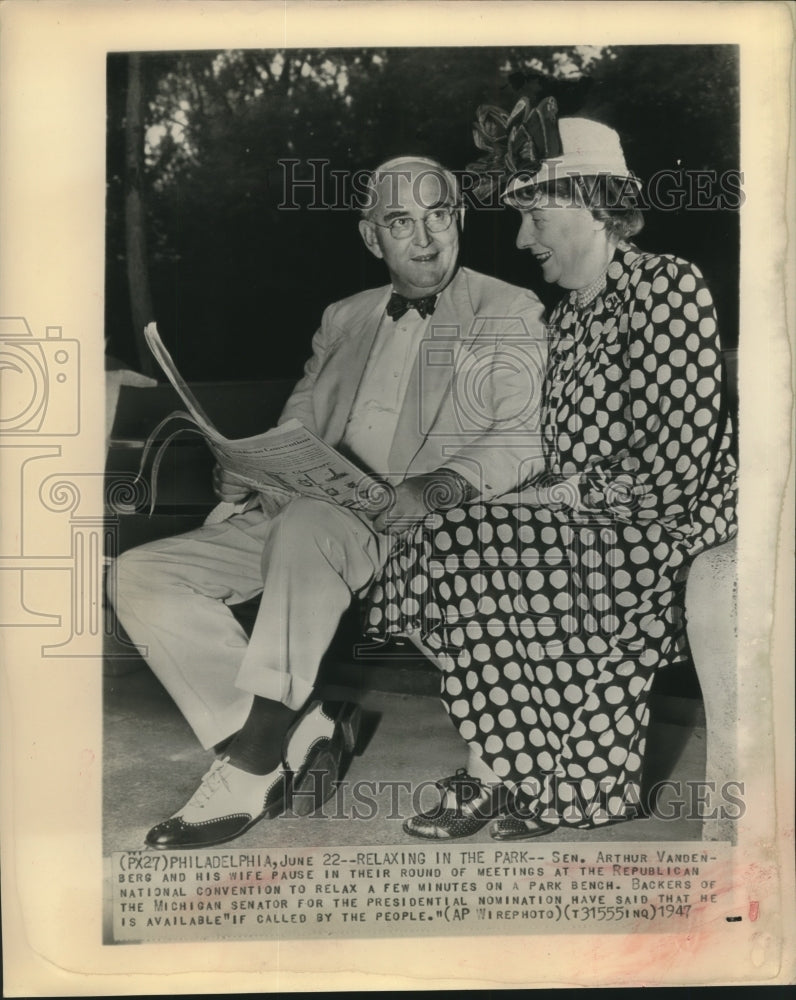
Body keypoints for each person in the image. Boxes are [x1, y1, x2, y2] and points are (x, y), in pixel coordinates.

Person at [110, 154, 547, 850]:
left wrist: (434, 487)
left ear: (459, 219)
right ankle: (301, 721)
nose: (426, 237)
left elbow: (522, 438)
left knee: (310, 525)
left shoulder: (506, 307)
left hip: (425, 524)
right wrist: (244, 472)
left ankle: (253, 763)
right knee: (140, 574)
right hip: (313, 516)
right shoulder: (343, 316)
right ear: (373, 237)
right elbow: (299, 424)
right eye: (402, 222)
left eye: (439, 216)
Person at [366, 101, 738, 841]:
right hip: (587, 515)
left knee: (474, 548)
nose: (521, 237)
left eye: (536, 217)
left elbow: (678, 464)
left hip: (670, 517)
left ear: (592, 205)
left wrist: (563, 495)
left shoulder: (668, 287)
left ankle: (526, 778)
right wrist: (522, 491)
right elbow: (542, 450)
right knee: (441, 539)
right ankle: (527, 770)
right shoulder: (564, 319)